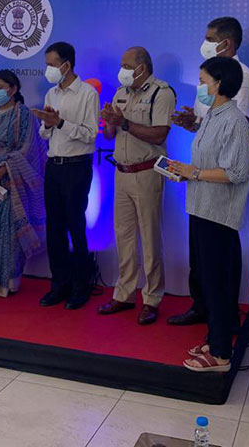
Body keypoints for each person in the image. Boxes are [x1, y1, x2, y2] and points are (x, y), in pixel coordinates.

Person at [169, 16, 249, 327]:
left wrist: (195, 171)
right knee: (200, 255)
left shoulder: (243, 78)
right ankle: (202, 307)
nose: (204, 44)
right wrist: (193, 123)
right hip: (200, 185)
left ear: (226, 43)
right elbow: (210, 123)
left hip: (220, 185)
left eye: (209, 38)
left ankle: (224, 318)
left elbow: (234, 130)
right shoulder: (209, 77)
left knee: (220, 255)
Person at [98, 47, 175, 325]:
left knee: (150, 238)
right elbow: (110, 135)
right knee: (124, 236)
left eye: (127, 65)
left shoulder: (161, 92)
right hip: (121, 172)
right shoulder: (120, 92)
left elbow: (159, 134)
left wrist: (124, 123)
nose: (123, 70)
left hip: (147, 172)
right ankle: (125, 293)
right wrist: (109, 122)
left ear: (142, 67)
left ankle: (152, 298)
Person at [32, 42, 99, 310]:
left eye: (51, 64)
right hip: (54, 166)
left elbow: (90, 134)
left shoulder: (87, 93)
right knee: (54, 228)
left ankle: (81, 285)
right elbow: (44, 133)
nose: (48, 69)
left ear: (66, 65)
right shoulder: (52, 93)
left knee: (76, 226)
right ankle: (59, 283)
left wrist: (60, 122)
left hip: (77, 166)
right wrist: (48, 123)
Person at [0, 70, 47, 297]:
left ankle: (7, 283)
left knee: (9, 235)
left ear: (13, 89)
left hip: (14, 181)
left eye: (0, 87)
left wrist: (1, 172)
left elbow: (27, 149)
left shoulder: (24, 115)